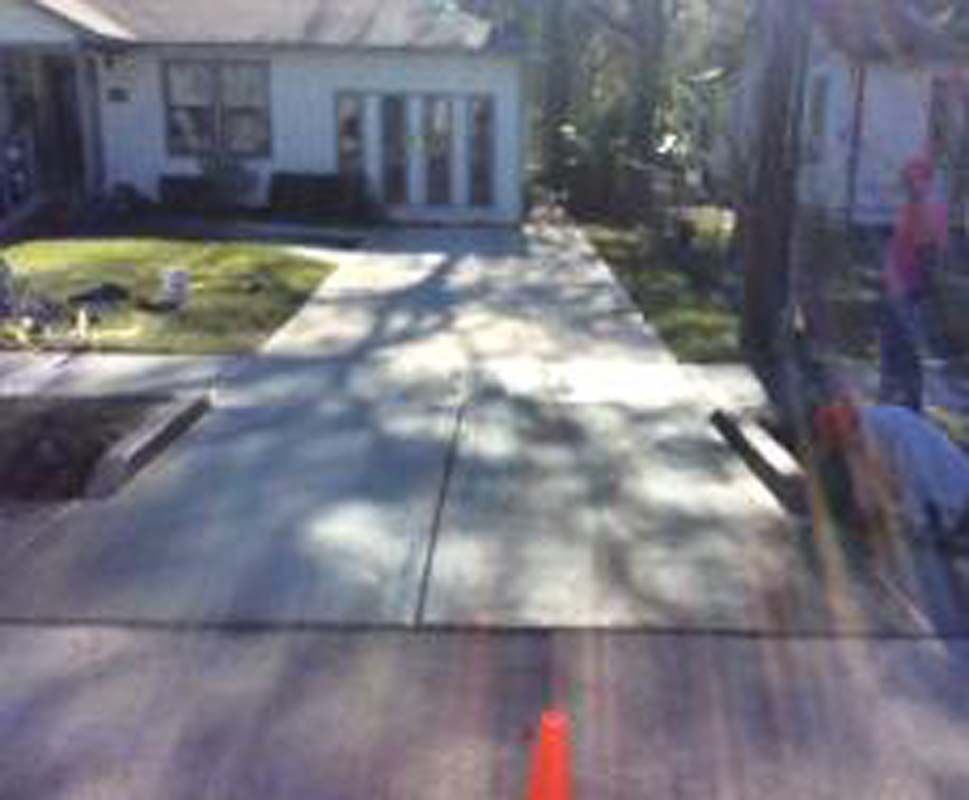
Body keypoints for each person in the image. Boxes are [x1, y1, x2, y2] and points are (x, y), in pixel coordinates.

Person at [813, 402, 969, 547]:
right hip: (925, 510)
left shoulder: (895, 423)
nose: (843, 445)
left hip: (954, 499)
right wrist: (865, 511)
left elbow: (916, 474)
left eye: (840, 439)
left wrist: (917, 522)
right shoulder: (857, 441)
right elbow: (864, 481)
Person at [879, 156, 949, 413]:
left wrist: (921, 289)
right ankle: (897, 399)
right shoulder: (916, 206)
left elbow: (928, 253)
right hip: (899, 287)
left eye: (909, 181)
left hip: (908, 290)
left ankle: (907, 402)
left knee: (903, 347)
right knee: (896, 346)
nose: (905, 186)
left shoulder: (925, 209)